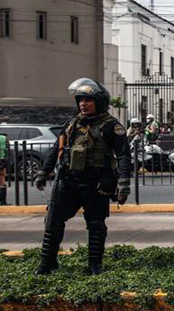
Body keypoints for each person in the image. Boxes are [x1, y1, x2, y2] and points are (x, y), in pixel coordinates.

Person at [33, 78, 131, 275]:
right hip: (69, 182)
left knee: (95, 225)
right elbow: (56, 149)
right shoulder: (72, 124)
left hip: (97, 184)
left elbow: (123, 156)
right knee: (52, 221)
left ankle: (95, 265)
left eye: (88, 100)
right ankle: (47, 262)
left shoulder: (112, 126)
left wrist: (123, 183)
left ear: (99, 102)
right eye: (81, 100)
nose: (83, 104)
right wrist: (44, 172)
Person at [0, 130, 8, 205]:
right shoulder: (4, 138)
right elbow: (7, 152)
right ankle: (2, 202)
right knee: (1, 180)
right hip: (2, 161)